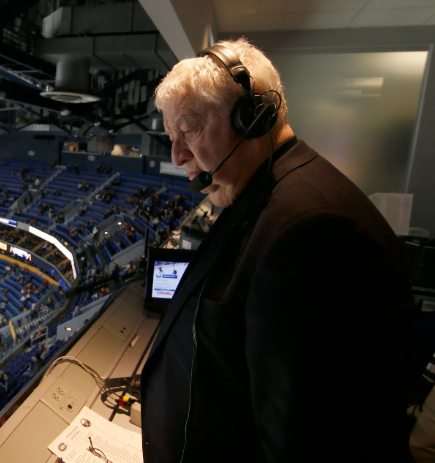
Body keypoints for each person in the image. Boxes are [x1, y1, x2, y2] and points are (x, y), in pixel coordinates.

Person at [140, 38, 414, 463]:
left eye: (189, 129)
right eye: (172, 135)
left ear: (253, 118)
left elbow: (303, 443)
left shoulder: (312, 232)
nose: (177, 156)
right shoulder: (261, 193)